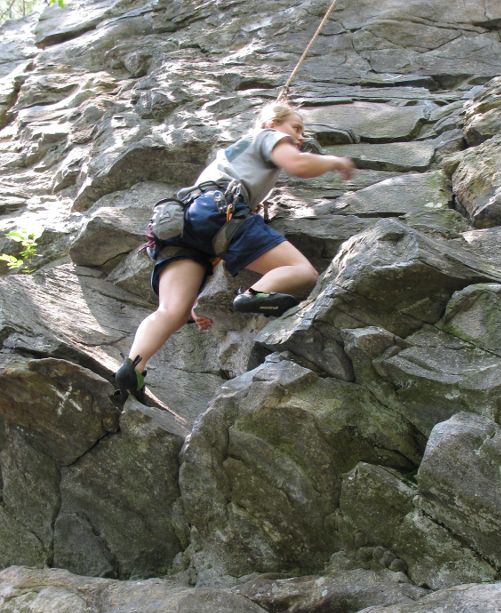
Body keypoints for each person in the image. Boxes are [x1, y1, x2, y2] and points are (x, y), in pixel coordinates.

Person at [114, 101, 355, 401]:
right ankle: (254, 296)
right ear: (272, 124)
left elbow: (210, 239)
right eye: (296, 128)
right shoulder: (266, 137)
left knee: (170, 312)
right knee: (303, 273)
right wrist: (337, 162)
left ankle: (133, 367)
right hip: (220, 210)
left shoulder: (228, 159)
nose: (300, 136)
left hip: (182, 225)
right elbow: (298, 165)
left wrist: (197, 302)